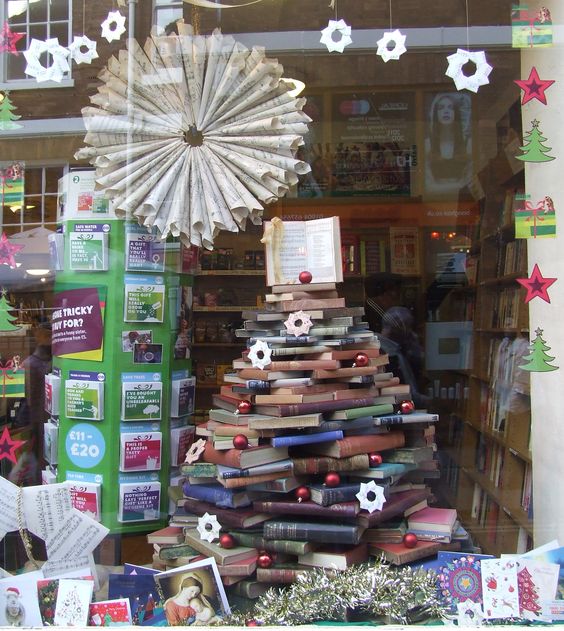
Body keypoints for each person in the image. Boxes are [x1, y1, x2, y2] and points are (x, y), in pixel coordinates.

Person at [379, 306, 430, 409]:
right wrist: (432, 402)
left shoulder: (397, 350)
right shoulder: (389, 355)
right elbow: (408, 394)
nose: (411, 332)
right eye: (408, 327)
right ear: (401, 328)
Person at [425, 93, 472, 193]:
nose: (446, 111)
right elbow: (428, 187)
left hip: (463, 204)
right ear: (435, 113)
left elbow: (471, 184)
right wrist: (459, 187)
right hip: (433, 202)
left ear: (456, 113)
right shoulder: (427, 144)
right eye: (441, 108)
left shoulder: (468, 144)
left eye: (451, 108)